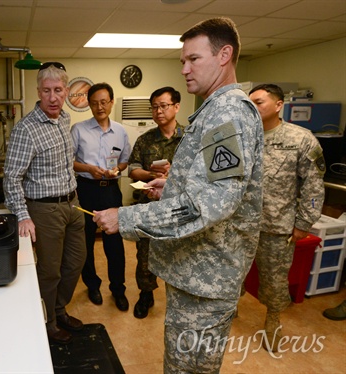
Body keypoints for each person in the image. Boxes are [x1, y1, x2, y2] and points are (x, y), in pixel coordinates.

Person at [94, 17, 264, 373]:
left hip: (208, 278)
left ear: (224, 55)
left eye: (193, 59)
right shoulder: (214, 110)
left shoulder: (228, 113)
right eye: (182, 61)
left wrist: (125, 217)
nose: (184, 69)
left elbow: (210, 205)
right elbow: (211, 187)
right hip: (195, 272)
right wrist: (169, 187)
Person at [3, 62, 86, 345]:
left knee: (76, 262)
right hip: (44, 209)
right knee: (49, 271)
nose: (52, 97)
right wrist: (23, 216)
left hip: (72, 204)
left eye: (58, 90)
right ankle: (47, 321)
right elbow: (11, 178)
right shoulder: (26, 130)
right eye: (46, 91)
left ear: (66, 91)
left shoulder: (64, 119)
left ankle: (59, 309)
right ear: (38, 91)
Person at [247, 83, 325, 350]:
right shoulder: (244, 137)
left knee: (274, 281)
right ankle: (230, 311)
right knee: (233, 274)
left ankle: (273, 321)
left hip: (276, 227)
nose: (253, 108)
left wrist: (304, 222)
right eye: (250, 103)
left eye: (259, 102)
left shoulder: (300, 139)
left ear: (279, 105)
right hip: (240, 224)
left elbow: (314, 187)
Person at [71, 82, 131, 311]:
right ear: (89, 104)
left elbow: (125, 159)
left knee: (114, 242)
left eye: (104, 102)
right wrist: (88, 168)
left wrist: (117, 169)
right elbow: (69, 161)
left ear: (111, 102)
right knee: (85, 241)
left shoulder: (121, 131)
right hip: (85, 188)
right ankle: (92, 285)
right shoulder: (79, 129)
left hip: (110, 190)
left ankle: (118, 289)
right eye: (94, 103)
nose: (99, 107)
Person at [127, 86, 184, 319]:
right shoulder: (145, 140)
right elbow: (132, 170)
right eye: (154, 107)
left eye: (163, 106)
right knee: (146, 255)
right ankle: (146, 294)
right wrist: (151, 175)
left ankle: (179, 298)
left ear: (176, 107)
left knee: (180, 256)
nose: (158, 111)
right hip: (149, 208)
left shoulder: (190, 138)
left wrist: (173, 176)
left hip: (180, 210)